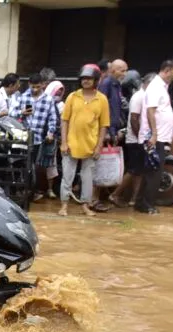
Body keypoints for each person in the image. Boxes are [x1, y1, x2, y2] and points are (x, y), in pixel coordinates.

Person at [59, 64, 110, 217]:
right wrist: (63, 142)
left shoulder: (102, 99)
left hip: (91, 145)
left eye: (89, 79)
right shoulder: (72, 97)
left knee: (88, 178)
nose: (86, 81)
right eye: (84, 78)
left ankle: (85, 205)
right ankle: (64, 205)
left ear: (96, 80)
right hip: (71, 144)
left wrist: (99, 146)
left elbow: (103, 125)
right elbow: (64, 121)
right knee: (67, 177)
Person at [136, 59, 173, 215]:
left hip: (159, 137)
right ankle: (147, 204)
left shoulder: (162, 86)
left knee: (151, 171)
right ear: (166, 70)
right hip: (154, 138)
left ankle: (141, 202)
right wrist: (154, 134)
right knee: (154, 172)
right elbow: (150, 112)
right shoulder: (156, 86)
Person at [109, 71, 148, 208]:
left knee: (138, 170)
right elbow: (133, 119)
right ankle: (115, 194)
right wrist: (141, 138)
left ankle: (133, 198)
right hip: (135, 139)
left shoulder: (142, 96)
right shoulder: (139, 96)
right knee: (133, 170)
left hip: (135, 137)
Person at [33, 79, 63, 201]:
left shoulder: (57, 104)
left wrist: (52, 133)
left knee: (50, 164)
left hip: (50, 139)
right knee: (36, 165)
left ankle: (48, 189)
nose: (58, 95)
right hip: (37, 137)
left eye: (61, 92)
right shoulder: (35, 100)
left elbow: (54, 121)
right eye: (57, 91)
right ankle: (37, 189)